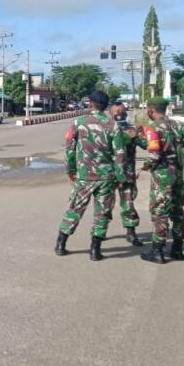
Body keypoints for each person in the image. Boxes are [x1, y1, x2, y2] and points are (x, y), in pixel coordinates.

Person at [55, 90, 125, 261]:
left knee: (75, 209)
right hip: (106, 177)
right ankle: (95, 249)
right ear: (105, 106)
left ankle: (61, 244)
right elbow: (120, 155)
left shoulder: (78, 123)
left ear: (90, 103)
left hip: (84, 177)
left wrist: (70, 171)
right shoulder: (113, 125)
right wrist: (120, 178)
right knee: (102, 213)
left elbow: (69, 150)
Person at [138, 96, 184, 263]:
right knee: (177, 212)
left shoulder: (152, 128)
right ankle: (177, 249)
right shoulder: (176, 125)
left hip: (162, 176)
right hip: (177, 174)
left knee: (160, 212)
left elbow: (154, 154)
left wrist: (146, 166)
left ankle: (157, 250)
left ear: (150, 110)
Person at [111, 100, 143, 246]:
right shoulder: (105, 128)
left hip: (127, 173)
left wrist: (137, 135)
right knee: (103, 204)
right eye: (116, 112)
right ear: (110, 113)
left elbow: (146, 144)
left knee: (128, 204)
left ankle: (131, 232)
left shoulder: (132, 129)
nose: (119, 114)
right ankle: (99, 232)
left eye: (122, 111)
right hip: (108, 173)